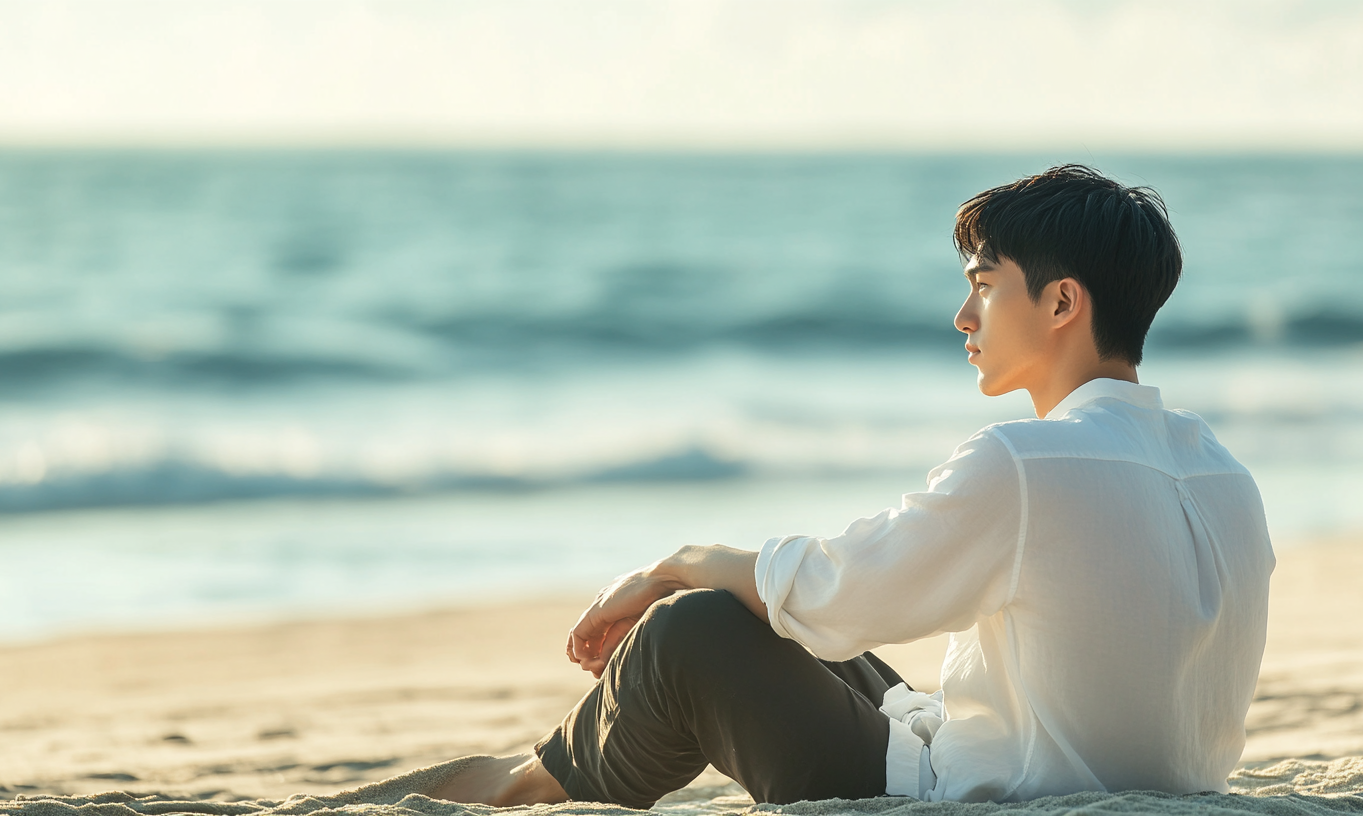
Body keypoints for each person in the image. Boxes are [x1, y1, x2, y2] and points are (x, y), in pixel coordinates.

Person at [336, 164, 1274, 808]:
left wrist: (675, 566)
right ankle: (550, 760)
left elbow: (837, 589)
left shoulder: (1025, 465)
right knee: (789, 621)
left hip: (994, 793)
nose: (963, 314)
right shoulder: (1225, 474)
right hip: (1141, 778)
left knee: (693, 629)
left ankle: (524, 785)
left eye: (984, 285)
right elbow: (837, 601)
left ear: (1062, 303)